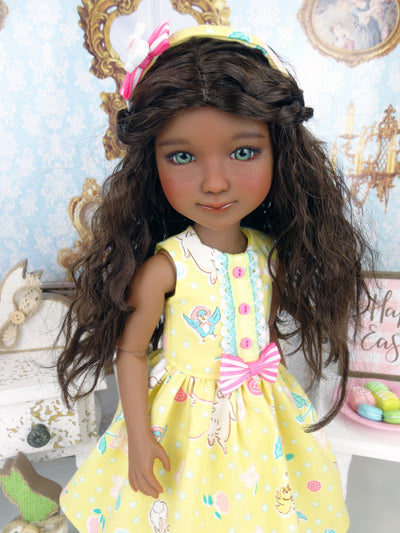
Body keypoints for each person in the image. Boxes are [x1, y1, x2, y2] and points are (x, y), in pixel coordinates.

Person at [57, 21, 373, 532]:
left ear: (280, 152)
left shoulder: (270, 255)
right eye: (181, 156)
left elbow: (262, 331)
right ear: (151, 164)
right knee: (186, 506)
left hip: (262, 410)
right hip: (186, 415)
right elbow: (130, 352)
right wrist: (139, 437)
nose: (215, 182)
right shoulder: (167, 267)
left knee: (264, 505)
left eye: (244, 151)